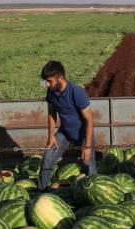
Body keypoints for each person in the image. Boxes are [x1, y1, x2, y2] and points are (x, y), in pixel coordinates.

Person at [37, 60, 96, 191]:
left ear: (60, 78)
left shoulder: (77, 92)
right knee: (47, 157)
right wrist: (51, 136)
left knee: (89, 167)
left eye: (49, 81)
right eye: (46, 81)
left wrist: (87, 146)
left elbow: (89, 120)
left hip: (83, 134)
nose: (47, 84)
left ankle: (91, 196)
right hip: (64, 132)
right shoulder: (51, 91)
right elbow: (52, 114)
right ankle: (42, 191)